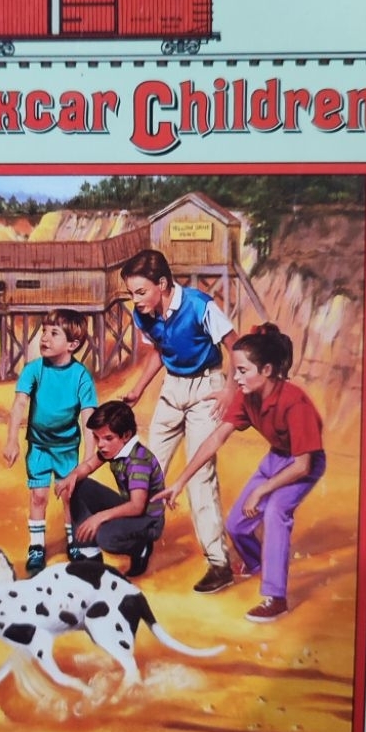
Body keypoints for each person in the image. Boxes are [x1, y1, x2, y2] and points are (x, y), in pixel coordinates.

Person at [155, 324, 325, 622]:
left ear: (267, 370)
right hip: (276, 460)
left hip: (302, 464)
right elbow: (215, 439)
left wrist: (262, 490)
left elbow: (303, 465)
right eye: (235, 370)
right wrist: (180, 481)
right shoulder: (247, 398)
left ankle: (276, 597)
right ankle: (257, 562)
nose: (235, 378)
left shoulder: (294, 402)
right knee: (236, 524)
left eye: (243, 371)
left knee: (275, 512)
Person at [120, 248, 239, 594]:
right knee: (145, 470)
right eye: (131, 293)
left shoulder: (200, 305)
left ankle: (219, 563)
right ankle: (140, 545)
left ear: (162, 284)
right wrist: (139, 388)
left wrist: (230, 390)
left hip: (207, 386)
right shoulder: (143, 313)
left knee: (200, 474)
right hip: (173, 387)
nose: (135, 299)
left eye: (140, 291)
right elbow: (159, 350)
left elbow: (235, 346)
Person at [3, 309, 98, 575]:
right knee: (38, 495)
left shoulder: (81, 376)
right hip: (39, 446)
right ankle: (36, 547)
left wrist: (89, 458)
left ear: (72, 344)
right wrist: (12, 440)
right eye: (44, 331)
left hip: (67, 448)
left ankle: (74, 541)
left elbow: (88, 417)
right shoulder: (33, 370)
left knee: (69, 496)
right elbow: (19, 404)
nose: (44, 337)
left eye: (54, 333)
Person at [54, 400, 165, 578]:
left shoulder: (138, 461)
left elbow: (137, 506)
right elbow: (89, 466)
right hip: (130, 506)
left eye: (107, 438)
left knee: (105, 536)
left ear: (126, 435)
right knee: (78, 485)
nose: (100, 444)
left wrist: (99, 517)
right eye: (97, 438)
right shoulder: (114, 449)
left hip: (147, 518)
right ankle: (90, 554)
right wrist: (72, 476)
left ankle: (141, 547)